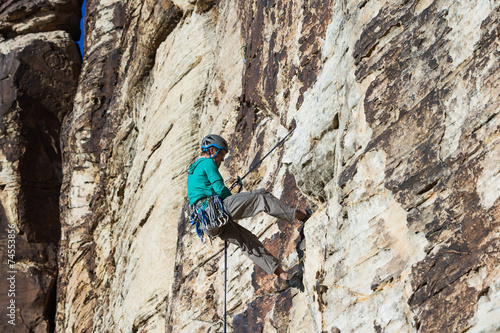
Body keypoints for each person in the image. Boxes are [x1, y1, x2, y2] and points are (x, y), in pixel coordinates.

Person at [187, 134, 309, 287]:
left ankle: (285, 276)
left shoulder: (192, 172)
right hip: (216, 211)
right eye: (221, 154)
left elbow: (204, 193)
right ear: (212, 150)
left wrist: (232, 200)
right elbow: (219, 189)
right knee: (261, 196)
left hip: (207, 224)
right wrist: (233, 198)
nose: (222, 159)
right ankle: (303, 217)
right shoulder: (207, 163)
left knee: (247, 242)